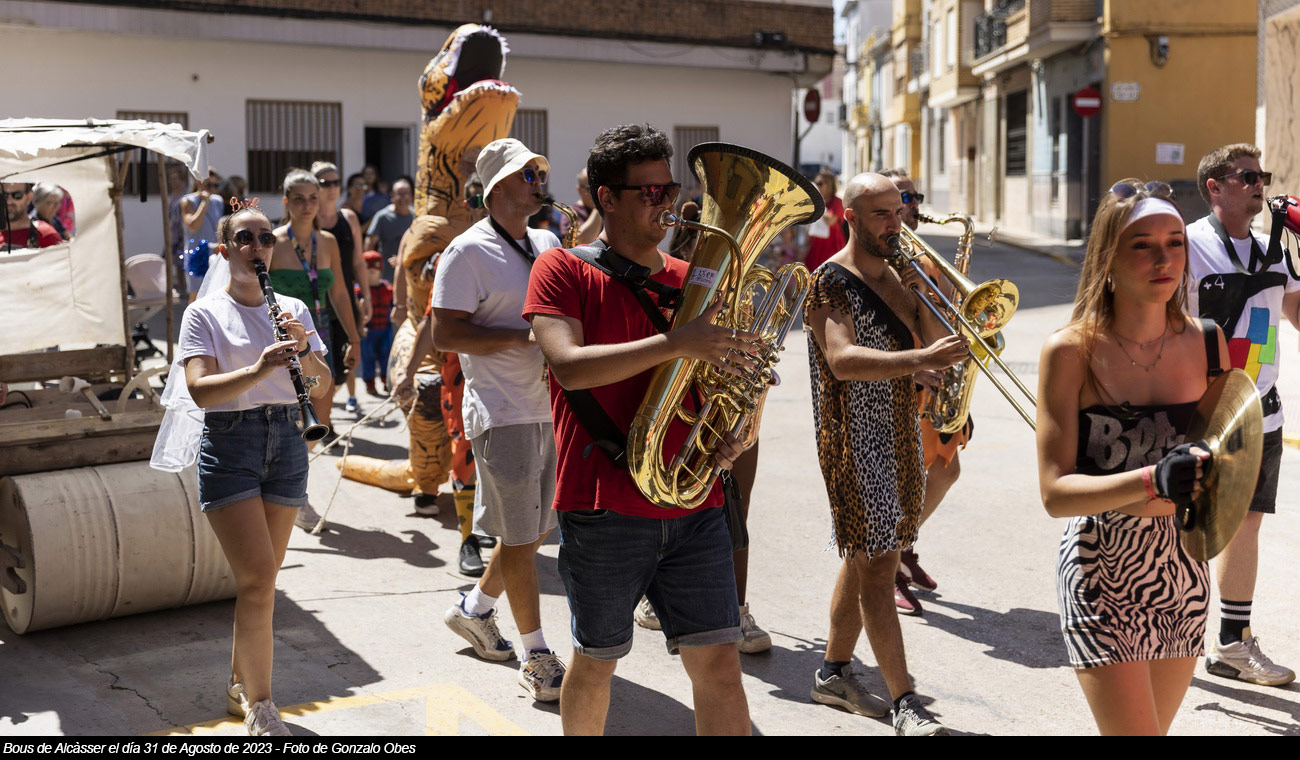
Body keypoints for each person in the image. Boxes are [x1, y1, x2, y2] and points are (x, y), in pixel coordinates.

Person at [525, 123, 752, 736]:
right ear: (607, 197)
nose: (666, 204)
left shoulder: (693, 276)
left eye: (669, 189)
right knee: (598, 663)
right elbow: (568, 366)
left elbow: (715, 380)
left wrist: (734, 428)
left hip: (694, 502)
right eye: (649, 192)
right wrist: (677, 342)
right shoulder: (561, 268)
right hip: (605, 506)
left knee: (721, 668)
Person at [1037, 180, 1224, 734]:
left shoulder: (1208, 342)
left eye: (1174, 242)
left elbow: (1225, 456)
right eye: (1142, 245)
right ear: (1108, 260)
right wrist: (1152, 479)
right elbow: (1055, 493)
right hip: (1102, 565)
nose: (1164, 259)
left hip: (1184, 566)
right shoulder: (1070, 350)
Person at [803, 172, 967, 736]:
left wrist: (925, 296)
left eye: (898, 212)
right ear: (850, 216)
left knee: (867, 555)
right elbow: (843, 359)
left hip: (898, 431)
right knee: (877, 566)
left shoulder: (900, 274)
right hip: (852, 438)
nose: (895, 224)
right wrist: (914, 363)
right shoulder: (830, 282)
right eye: (881, 214)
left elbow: (937, 342)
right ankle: (905, 703)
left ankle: (833, 674)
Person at [178, 205, 329, 736]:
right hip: (232, 442)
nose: (258, 246)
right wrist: (260, 367)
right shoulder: (204, 314)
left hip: (287, 440)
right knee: (260, 579)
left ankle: (240, 683)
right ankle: (261, 705)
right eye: (245, 238)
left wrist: (304, 350)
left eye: (266, 238)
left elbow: (322, 383)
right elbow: (200, 391)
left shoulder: (292, 307)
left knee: (259, 584)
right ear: (225, 250)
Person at [433, 138, 566, 702]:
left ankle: (474, 608)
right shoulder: (465, 251)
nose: (538, 181)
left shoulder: (548, 241)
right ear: (496, 190)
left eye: (538, 172)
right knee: (521, 533)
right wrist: (522, 336)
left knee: (534, 531)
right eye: (526, 174)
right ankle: (535, 654)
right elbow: (445, 332)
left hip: (549, 407)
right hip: (503, 410)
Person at [1184, 143, 1298, 687]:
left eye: (1262, 177)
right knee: (1180, 524)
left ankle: (1232, 642)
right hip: (1198, 411)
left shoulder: (1274, 250)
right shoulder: (1187, 244)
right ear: (1215, 186)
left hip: (1261, 412)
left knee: (1245, 523)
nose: (1260, 185)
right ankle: (1163, 634)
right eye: (1247, 177)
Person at [882, 168, 961, 615]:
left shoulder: (924, 256)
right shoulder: (877, 259)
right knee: (901, 483)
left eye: (915, 197)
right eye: (904, 197)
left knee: (945, 470)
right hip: (902, 383)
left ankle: (902, 546)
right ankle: (888, 565)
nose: (913, 206)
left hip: (935, 381)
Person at [269, 169, 362, 530]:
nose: (307, 205)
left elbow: (338, 292)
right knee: (285, 420)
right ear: (286, 202)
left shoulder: (328, 242)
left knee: (317, 422)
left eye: (313, 198)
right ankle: (294, 497)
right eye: (299, 199)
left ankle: (289, 486)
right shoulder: (273, 241)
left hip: (319, 338)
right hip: (281, 339)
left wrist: (354, 337)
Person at [312, 161, 371, 415]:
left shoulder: (349, 218)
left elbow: (358, 261)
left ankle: (321, 415)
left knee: (345, 366)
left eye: (336, 182)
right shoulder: (308, 220)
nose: (332, 188)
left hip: (344, 299)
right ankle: (324, 421)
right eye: (326, 183)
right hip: (316, 304)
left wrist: (366, 295)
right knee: (322, 367)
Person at [180, 172, 225, 300]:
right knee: (196, 295)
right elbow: (193, 225)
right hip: (196, 253)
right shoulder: (188, 200)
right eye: (208, 185)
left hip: (214, 252)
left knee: (214, 292)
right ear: (198, 182)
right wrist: (204, 203)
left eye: (215, 185)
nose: (212, 189)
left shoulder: (218, 200)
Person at [366, 176, 415, 281]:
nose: (403, 198)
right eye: (399, 194)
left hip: (411, 277)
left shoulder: (417, 217)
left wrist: (402, 260)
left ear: (411, 196)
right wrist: (372, 267)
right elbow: (369, 244)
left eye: (406, 194)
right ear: (392, 196)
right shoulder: (382, 217)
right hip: (387, 277)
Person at [358, 251, 393, 397]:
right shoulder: (358, 291)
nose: (372, 270)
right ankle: (370, 383)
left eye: (375, 266)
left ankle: (387, 381)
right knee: (368, 357)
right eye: (368, 266)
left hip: (385, 329)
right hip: (368, 331)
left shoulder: (389, 289)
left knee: (386, 356)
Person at [802, 168, 846, 272]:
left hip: (832, 249)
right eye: (816, 183)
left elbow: (830, 221)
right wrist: (804, 247)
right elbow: (809, 225)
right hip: (815, 249)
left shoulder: (837, 202)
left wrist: (818, 204)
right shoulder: (815, 203)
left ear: (829, 185)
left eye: (820, 184)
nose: (817, 186)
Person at [1, 183, 62, 250]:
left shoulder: (46, 234)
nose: (8, 201)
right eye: (3, 195)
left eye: (17, 195)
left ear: (29, 197)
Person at [556, 169, 603, 245]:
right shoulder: (571, 214)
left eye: (597, 186)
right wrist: (598, 206)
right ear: (579, 190)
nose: (595, 191)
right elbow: (582, 242)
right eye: (589, 188)